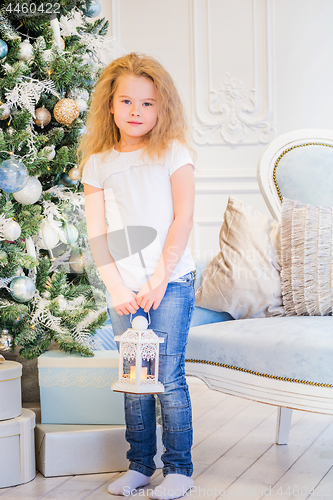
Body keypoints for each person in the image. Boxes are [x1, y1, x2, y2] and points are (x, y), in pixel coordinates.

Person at [79, 52, 196, 500]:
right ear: (110, 105)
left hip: (170, 284)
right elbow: (97, 234)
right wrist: (116, 287)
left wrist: (159, 280)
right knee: (135, 381)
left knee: (166, 377)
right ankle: (140, 466)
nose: (135, 112)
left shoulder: (173, 153)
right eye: (126, 101)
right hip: (123, 290)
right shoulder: (98, 164)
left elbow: (182, 219)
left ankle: (179, 470)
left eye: (147, 103)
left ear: (162, 107)